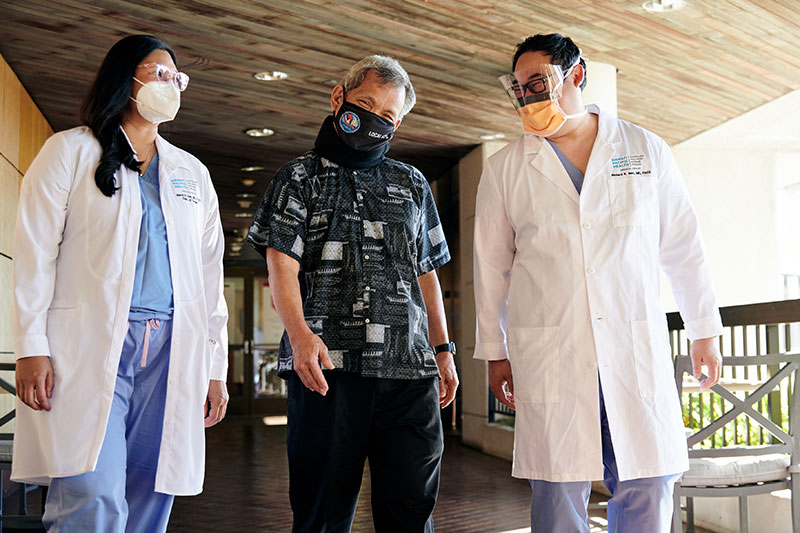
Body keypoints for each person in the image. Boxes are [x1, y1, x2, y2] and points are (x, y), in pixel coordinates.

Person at [473, 33, 723, 532]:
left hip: (632, 348)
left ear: (576, 74)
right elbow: (490, 266)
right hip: (553, 352)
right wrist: (494, 349)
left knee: (649, 483)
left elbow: (682, 244)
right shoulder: (505, 169)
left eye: (538, 82)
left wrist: (703, 329)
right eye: (519, 89)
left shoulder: (644, 149)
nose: (529, 97)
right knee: (559, 490)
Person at [11, 34, 229, 532]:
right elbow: (34, 254)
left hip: (172, 348)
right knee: (91, 488)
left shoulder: (190, 173)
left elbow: (209, 276)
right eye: (157, 73)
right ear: (123, 79)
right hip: (86, 348)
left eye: (177, 78)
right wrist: (30, 346)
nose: (169, 85)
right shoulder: (69, 152)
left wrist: (213, 368)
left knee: (153, 486)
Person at [247, 55, 458, 533]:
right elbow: (281, 264)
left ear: (398, 122)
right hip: (326, 368)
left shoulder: (412, 183)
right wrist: (299, 335)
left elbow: (426, 274)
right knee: (322, 512)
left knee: (410, 512)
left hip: (410, 370)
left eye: (388, 116)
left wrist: (443, 350)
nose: (375, 121)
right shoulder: (297, 178)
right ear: (338, 98)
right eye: (365, 105)